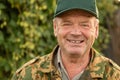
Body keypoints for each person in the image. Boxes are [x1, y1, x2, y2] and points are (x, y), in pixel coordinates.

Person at [12, 0, 120, 80]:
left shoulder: (114, 76)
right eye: (67, 24)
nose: (76, 32)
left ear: (96, 30)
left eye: (84, 25)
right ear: (55, 28)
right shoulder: (26, 75)